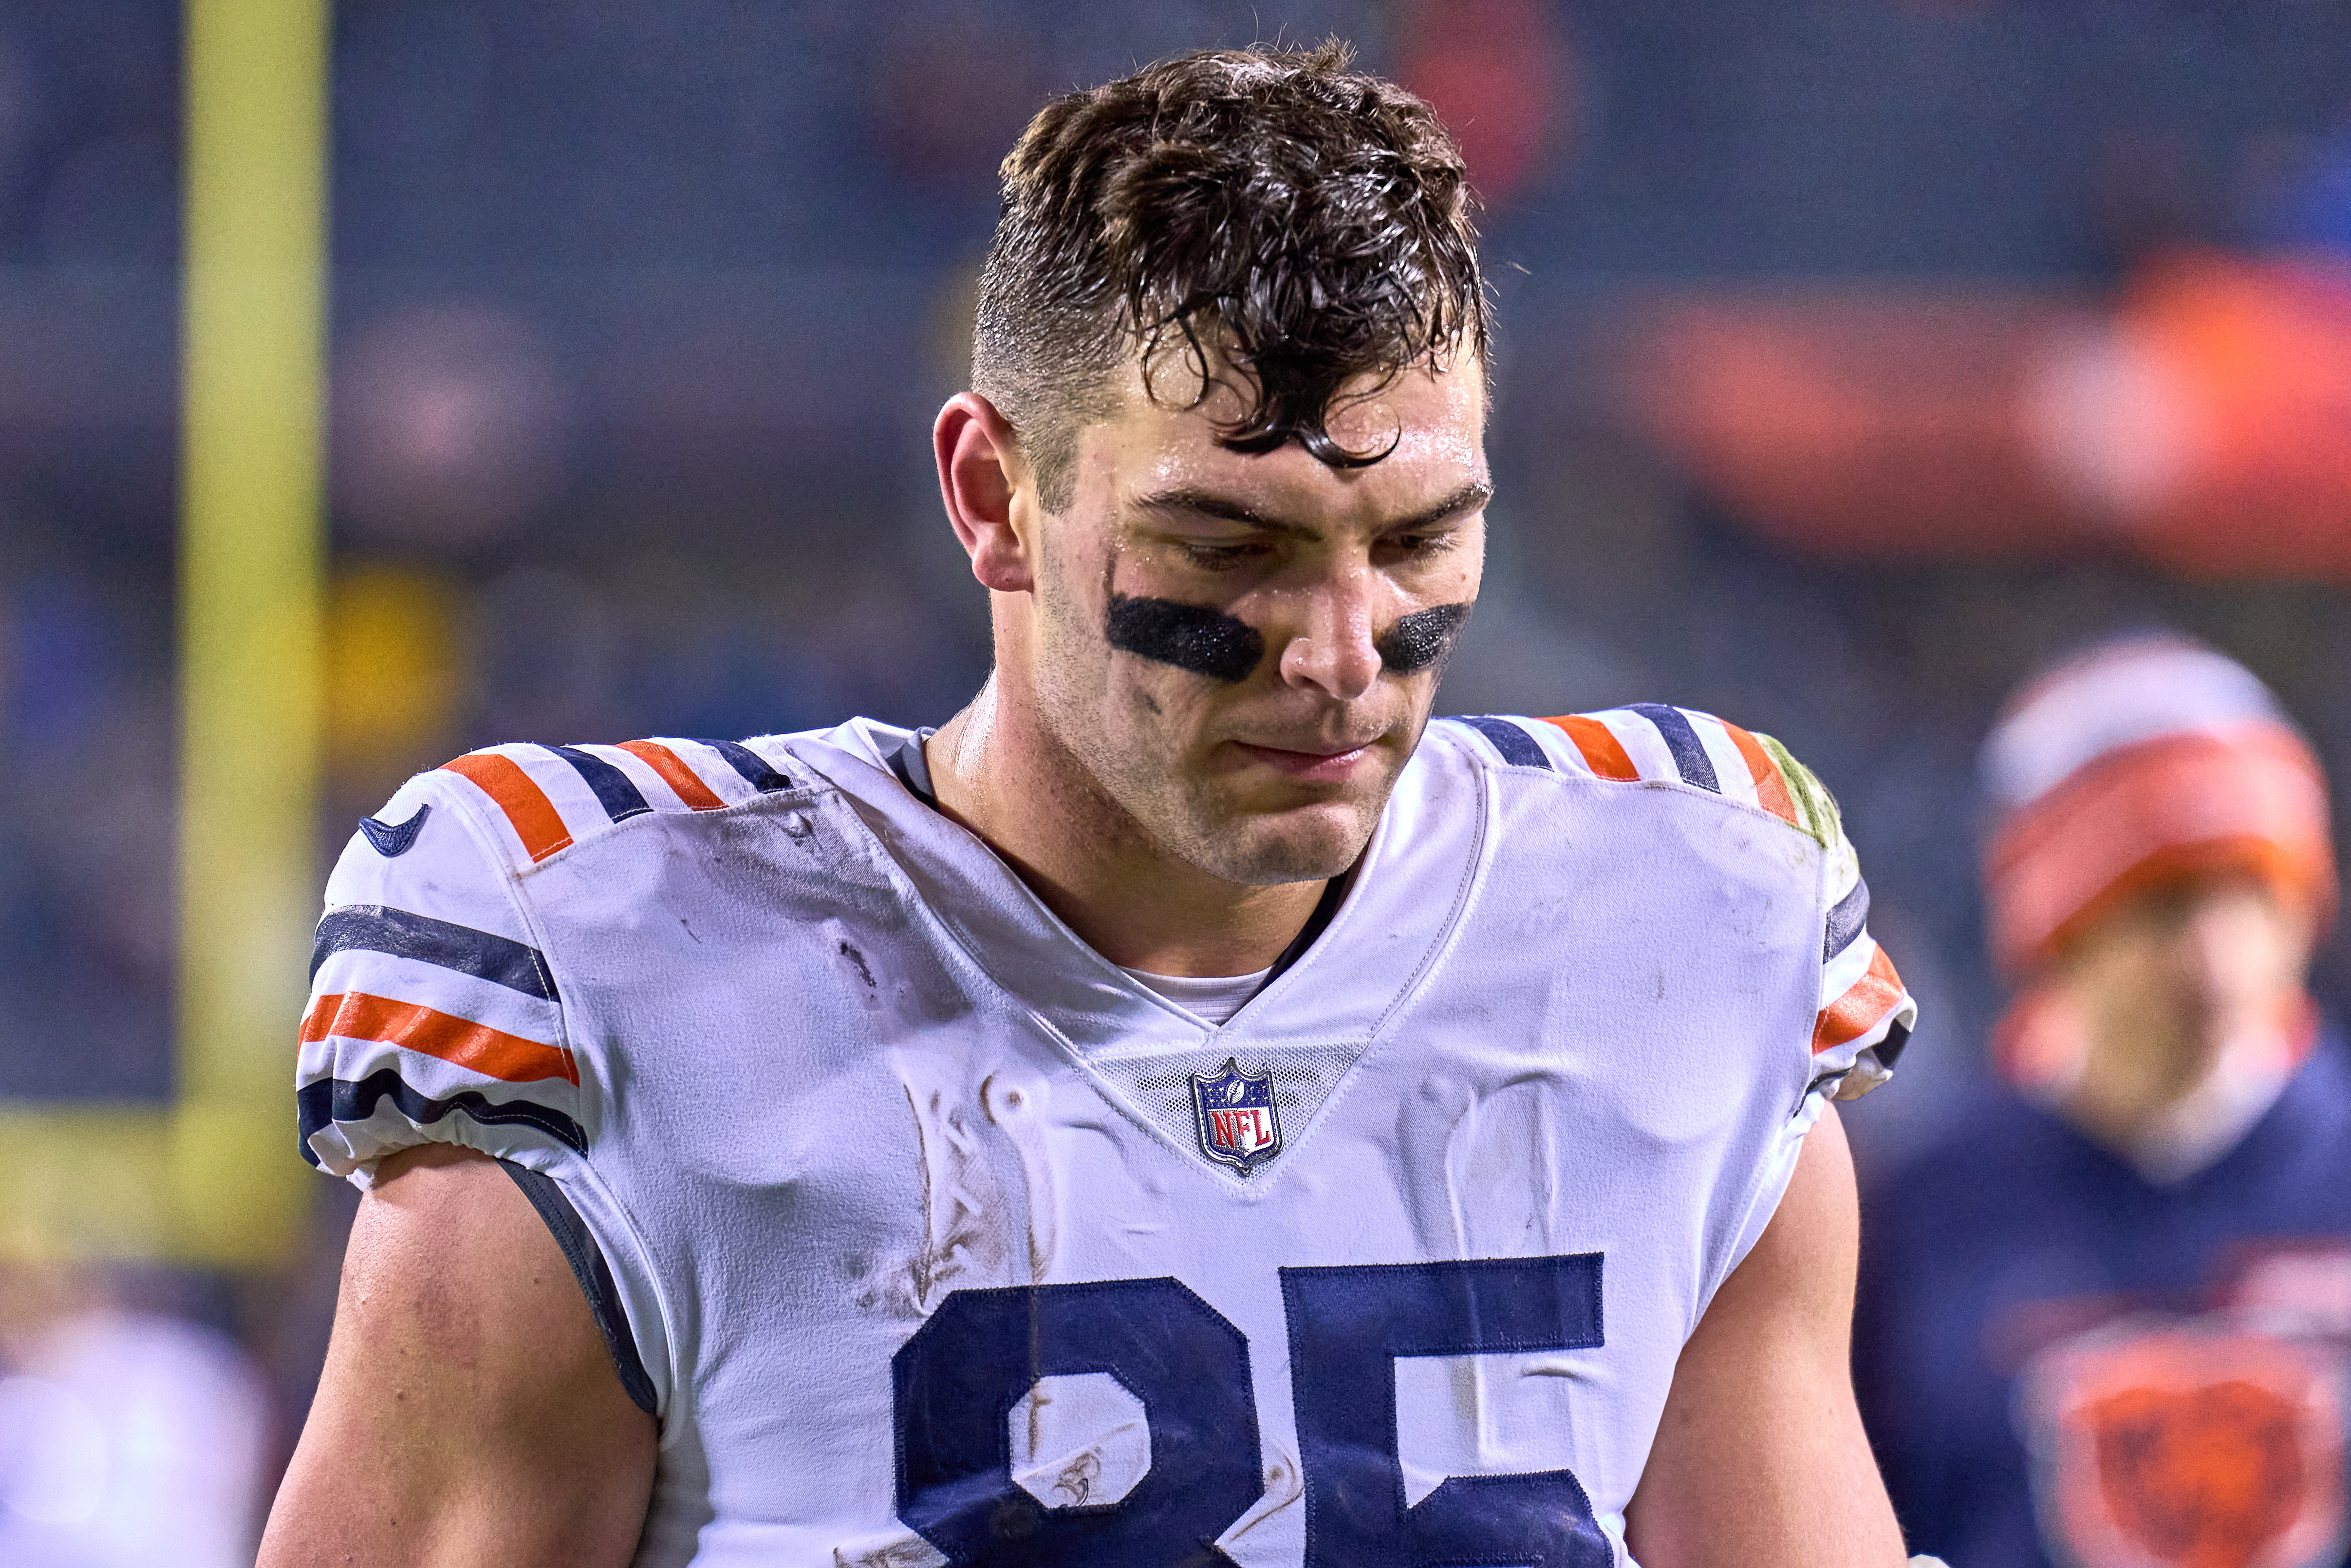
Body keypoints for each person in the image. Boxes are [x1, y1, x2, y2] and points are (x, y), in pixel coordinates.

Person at [261, 44, 1918, 1568]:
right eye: (1227, 548)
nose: (1342, 656)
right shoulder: (617, 951)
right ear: (995, 497)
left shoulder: (1685, 920)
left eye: (1415, 540)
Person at [1856, 634, 2351, 1568]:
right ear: (2058, 926)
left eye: (2251, 891)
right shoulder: (1921, 1216)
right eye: (2162, 905)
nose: (2216, 957)